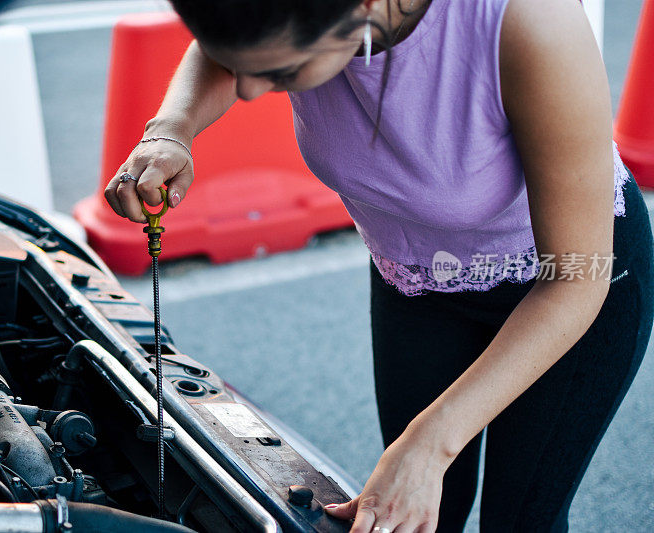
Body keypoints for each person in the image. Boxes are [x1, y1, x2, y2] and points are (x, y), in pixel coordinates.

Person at [103, 0, 654, 531]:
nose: (249, 90)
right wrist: (172, 126)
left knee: (520, 519)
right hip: (416, 279)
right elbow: (231, 45)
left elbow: (575, 283)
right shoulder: (286, 20)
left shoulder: (531, 22)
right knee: (412, 514)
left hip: (568, 288)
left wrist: (431, 441)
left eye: (283, 68)